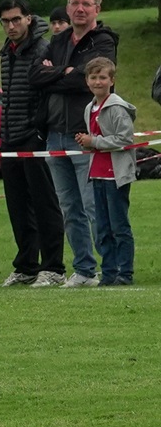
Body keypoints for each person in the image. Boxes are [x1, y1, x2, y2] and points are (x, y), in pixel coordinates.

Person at [29, 0, 118, 287]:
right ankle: (83, 270)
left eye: (86, 4)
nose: (80, 9)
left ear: (97, 9)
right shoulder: (57, 41)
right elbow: (35, 76)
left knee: (94, 205)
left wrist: (60, 74)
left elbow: (86, 81)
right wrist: (64, 72)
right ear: (67, 7)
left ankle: (112, 269)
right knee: (69, 208)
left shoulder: (103, 42)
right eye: (75, 3)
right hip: (55, 133)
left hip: (87, 134)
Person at [0, 0, 65, 287]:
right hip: (9, 136)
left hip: (34, 136)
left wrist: (39, 130)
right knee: (17, 205)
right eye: (5, 21)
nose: (11, 26)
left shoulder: (42, 49)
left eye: (16, 19)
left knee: (44, 203)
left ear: (28, 18)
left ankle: (53, 267)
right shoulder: (6, 52)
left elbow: (47, 93)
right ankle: (26, 266)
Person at [75, 57, 135, 286]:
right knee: (102, 227)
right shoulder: (89, 108)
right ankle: (109, 272)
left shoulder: (117, 108)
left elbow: (125, 139)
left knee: (119, 226)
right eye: (93, 77)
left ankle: (125, 272)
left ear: (112, 80)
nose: (97, 82)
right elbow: (97, 140)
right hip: (97, 173)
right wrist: (87, 142)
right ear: (87, 80)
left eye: (102, 77)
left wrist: (95, 141)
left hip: (115, 175)